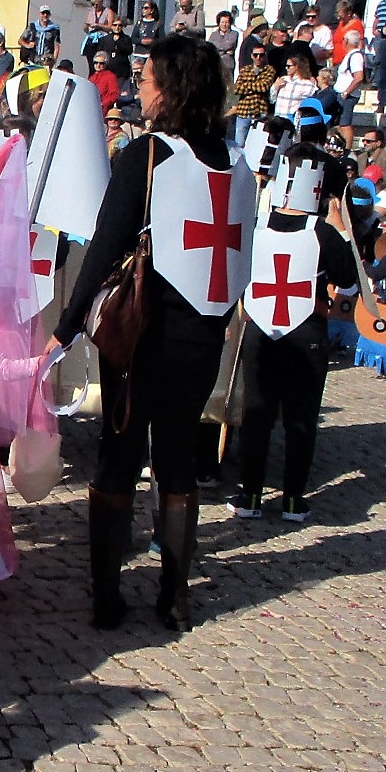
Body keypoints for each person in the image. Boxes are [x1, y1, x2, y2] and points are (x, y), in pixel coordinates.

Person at [50, 34, 253, 632]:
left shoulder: (147, 155)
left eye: (147, 79)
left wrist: (66, 327)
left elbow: (105, 246)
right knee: (177, 457)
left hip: (144, 334)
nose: (138, 88)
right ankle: (174, 595)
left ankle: (107, 597)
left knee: (119, 456)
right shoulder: (237, 162)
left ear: (170, 89)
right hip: (202, 335)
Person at [233, 146, 358, 524]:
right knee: (300, 419)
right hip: (307, 332)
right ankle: (292, 500)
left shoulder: (254, 225)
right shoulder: (323, 232)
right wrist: (341, 229)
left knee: (256, 415)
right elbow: (348, 282)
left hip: (261, 329)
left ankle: (250, 496)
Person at [229, 46, 274, 146]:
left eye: (261, 55)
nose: (258, 57)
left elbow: (264, 87)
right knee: (239, 144)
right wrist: (255, 86)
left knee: (256, 145)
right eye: (255, 55)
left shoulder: (269, 70)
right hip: (243, 111)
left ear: (265, 56)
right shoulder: (245, 70)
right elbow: (236, 89)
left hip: (260, 112)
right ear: (251, 56)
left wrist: (246, 85)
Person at [334, 31, 366, 147]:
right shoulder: (351, 55)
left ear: (347, 41)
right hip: (343, 94)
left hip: (348, 95)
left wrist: (346, 92)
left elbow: (359, 77)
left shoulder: (355, 56)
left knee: (345, 124)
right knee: (340, 124)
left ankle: (347, 148)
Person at [208, 12, 239, 85]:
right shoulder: (213, 35)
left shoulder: (234, 34)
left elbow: (228, 45)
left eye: (226, 22)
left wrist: (218, 50)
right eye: (222, 22)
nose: (224, 25)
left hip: (228, 65)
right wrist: (224, 52)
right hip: (215, 65)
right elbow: (210, 47)